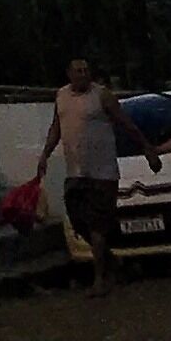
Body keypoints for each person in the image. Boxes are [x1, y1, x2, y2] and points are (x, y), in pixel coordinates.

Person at [35, 56, 124, 300]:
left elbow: (125, 122)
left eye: (86, 70)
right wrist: (45, 155)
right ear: (69, 74)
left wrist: (147, 149)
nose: (83, 74)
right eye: (78, 71)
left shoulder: (102, 95)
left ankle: (99, 279)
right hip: (76, 171)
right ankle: (109, 260)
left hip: (102, 172)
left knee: (97, 225)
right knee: (78, 219)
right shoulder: (61, 96)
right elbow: (57, 127)